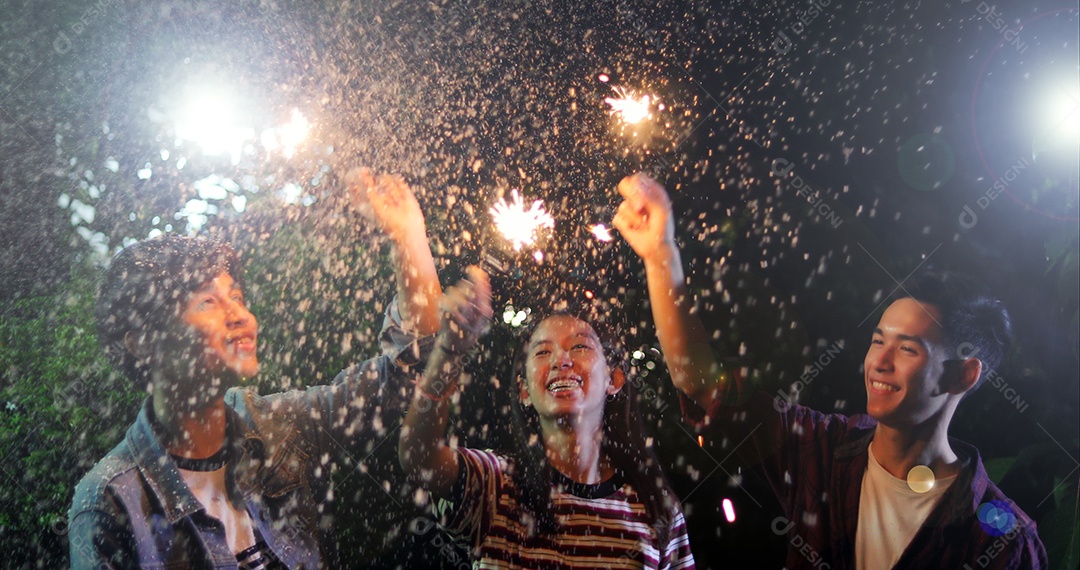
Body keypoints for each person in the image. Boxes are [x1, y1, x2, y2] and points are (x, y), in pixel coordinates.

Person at [612, 172, 1048, 569]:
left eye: (908, 349)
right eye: (878, 340)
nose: (879, 360)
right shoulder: (820, 451)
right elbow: (702, 384)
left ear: (963, 376)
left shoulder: (1004, 541)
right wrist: (660, 254)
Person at [68, 169, 443, 569]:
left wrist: (409, 240)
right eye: (208, 302)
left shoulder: (278, 427)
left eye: (237, 296)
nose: (240, 316)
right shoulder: (111, 502)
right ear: (144, 342)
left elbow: (405, 372)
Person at [398, 278, 696, 563]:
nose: (561, 360)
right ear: (524, 390)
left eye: (580, 346)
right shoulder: (494, 485)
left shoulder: (657, 509)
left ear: (614, 379)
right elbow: (418, 456)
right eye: (542, 351)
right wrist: (449, 350)